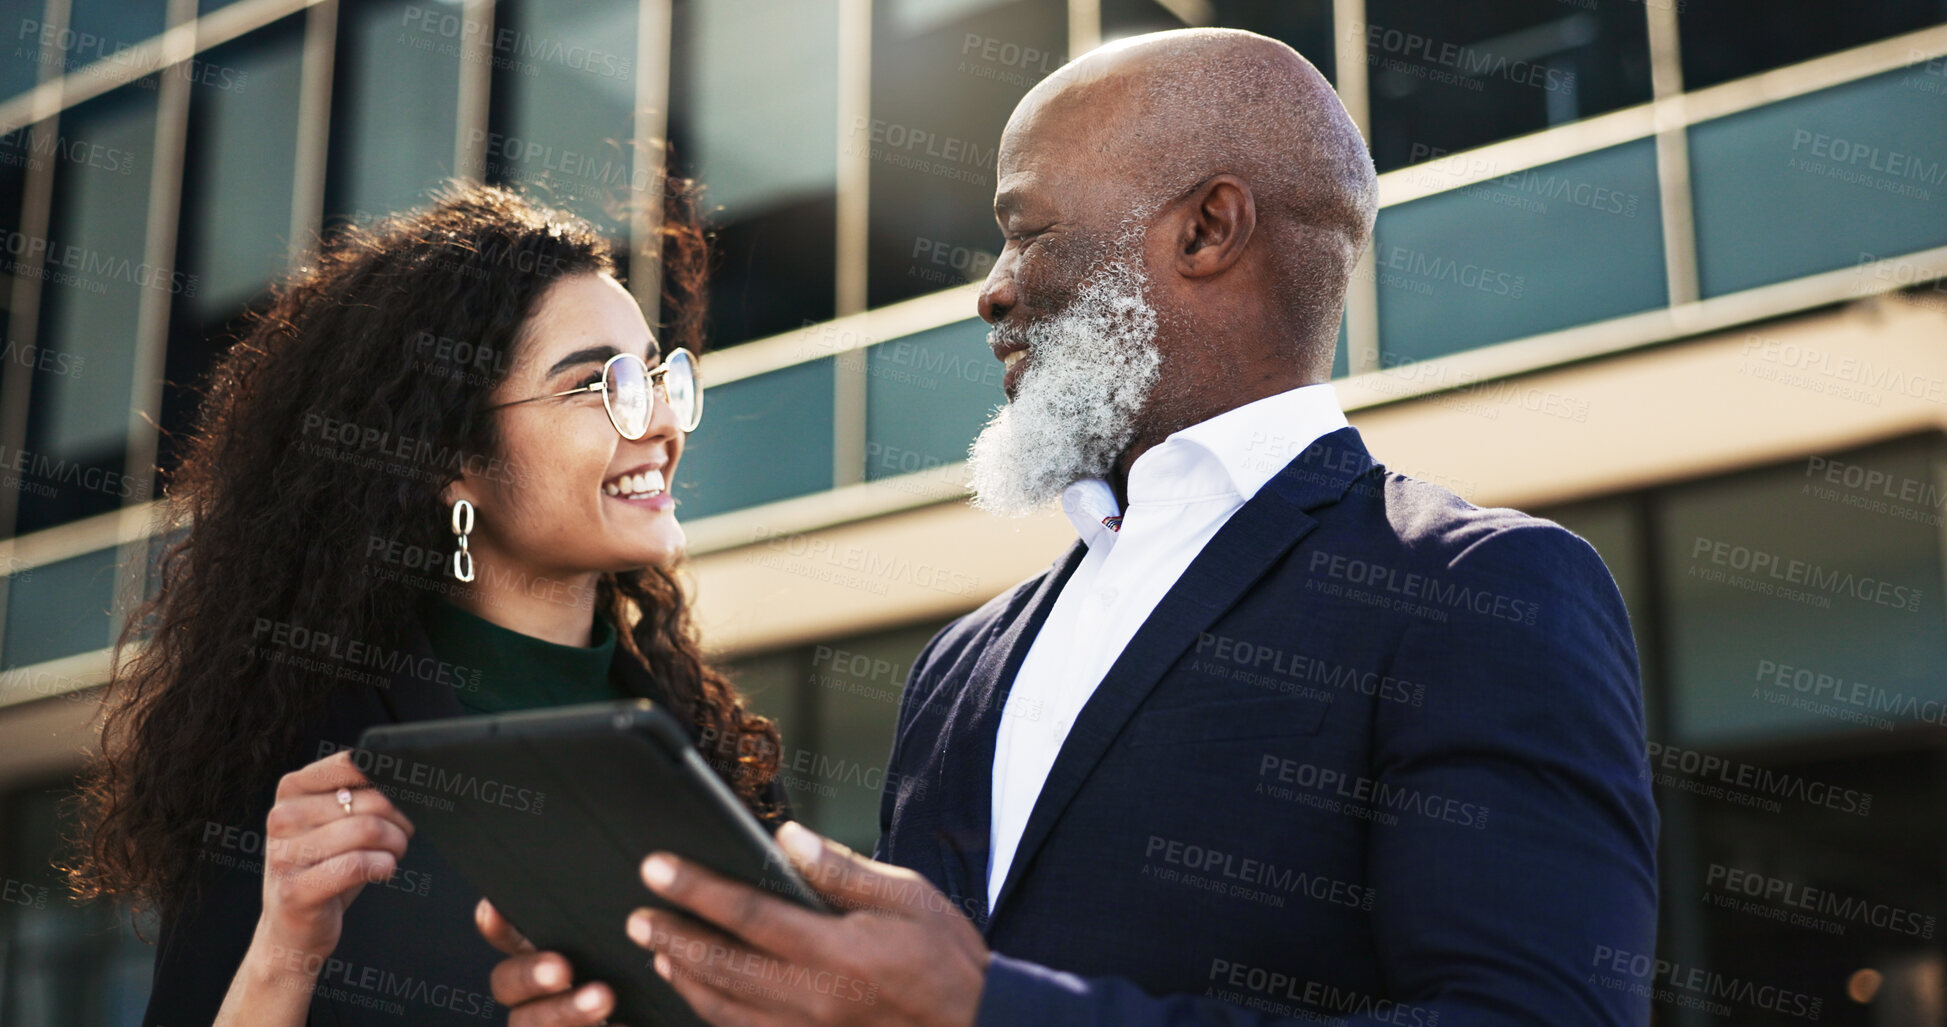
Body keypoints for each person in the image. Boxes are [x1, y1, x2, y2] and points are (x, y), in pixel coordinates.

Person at [488, 26, 1658, 1027]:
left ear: (1208, 230)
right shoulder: (965, 662)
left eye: (1027, 230)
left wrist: (991, 1009)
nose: (990, 288)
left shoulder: (1485, 591)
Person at [67, 181, 791, 1026]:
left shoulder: (716, 759)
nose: (662, 419)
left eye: (660, 377)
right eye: (601, 385)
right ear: (449, 453)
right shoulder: (308, 779)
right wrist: (285, 949)